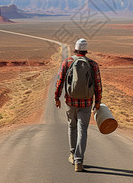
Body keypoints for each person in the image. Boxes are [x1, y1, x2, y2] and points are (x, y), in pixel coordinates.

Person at [55, 38, 102, 172]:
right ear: (86, 50)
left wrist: (56, 97)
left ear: (75, 49)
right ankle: (79, 161)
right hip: (86, 102)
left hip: (71, 101)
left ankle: (72, 153)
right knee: (83, 130)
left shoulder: (67, 62)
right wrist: (98, 101)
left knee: (72, 126)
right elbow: (98, 84)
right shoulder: (93, 64)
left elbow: (59, 81)